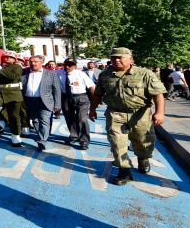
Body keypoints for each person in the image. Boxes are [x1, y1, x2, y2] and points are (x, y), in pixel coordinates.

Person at [89, 47, 166, 185]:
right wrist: (92, 109)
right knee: (117, 143)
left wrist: (159, 112)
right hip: (115, 113)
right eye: (113, 58)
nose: (116, 60)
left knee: (142, 141)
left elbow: (158, 94)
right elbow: (98, 94)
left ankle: (143, 158)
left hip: (140, 113)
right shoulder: (105, 75)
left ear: (130, 59)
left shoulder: (144, 73)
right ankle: (124, 170)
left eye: (120, 57)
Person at [21, 55, 61, 150]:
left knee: (44, 120)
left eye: (35, 61)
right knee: (35, 120)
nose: (32, 63)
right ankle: (42, 135)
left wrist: (57, 104)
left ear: (41, 63)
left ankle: (42, 140)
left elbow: (57, 90)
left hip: (45, 101)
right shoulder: (24, 72)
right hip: (29, 100)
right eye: (31, 61)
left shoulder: (51, 74)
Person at [58, 57, 95, 150]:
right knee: (69, 117)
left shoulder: (81, 74)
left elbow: (91, 87)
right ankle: (74, 135)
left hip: (80, 98)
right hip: (66, 98)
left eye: (70, 65)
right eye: (65, 64)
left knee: (82, 119)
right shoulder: (58, 73)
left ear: (74, 66)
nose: (67, 67)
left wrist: (94, 102)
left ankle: (84, 140)